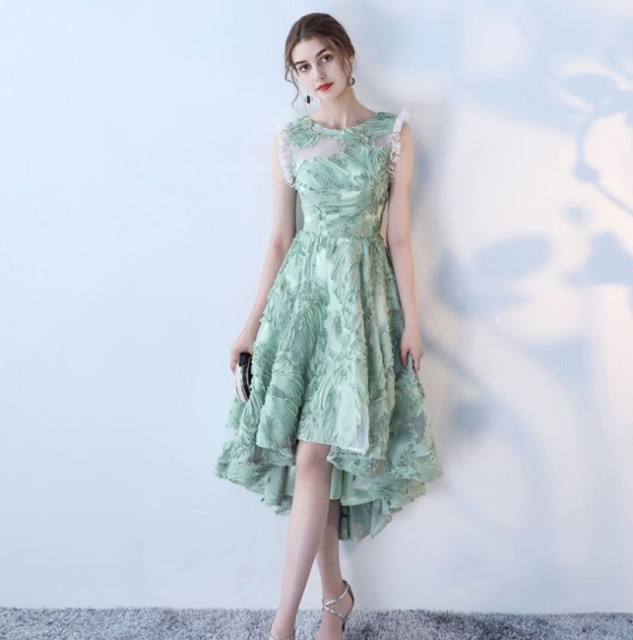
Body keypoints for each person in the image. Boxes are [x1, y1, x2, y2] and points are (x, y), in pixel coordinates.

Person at [214, 12, 442, 640]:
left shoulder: (393, 133)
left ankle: (293, 620)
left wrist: (413, 322)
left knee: (321, 451)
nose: (316, 74)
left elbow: (399, 237)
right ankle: (319, 607)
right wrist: (250, 327)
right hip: (303, 305)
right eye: (302, 66)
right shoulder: (289, 139)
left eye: (324, 58)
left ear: (347, 56)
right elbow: (280, 239)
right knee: (311, 452)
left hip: (362, 304)